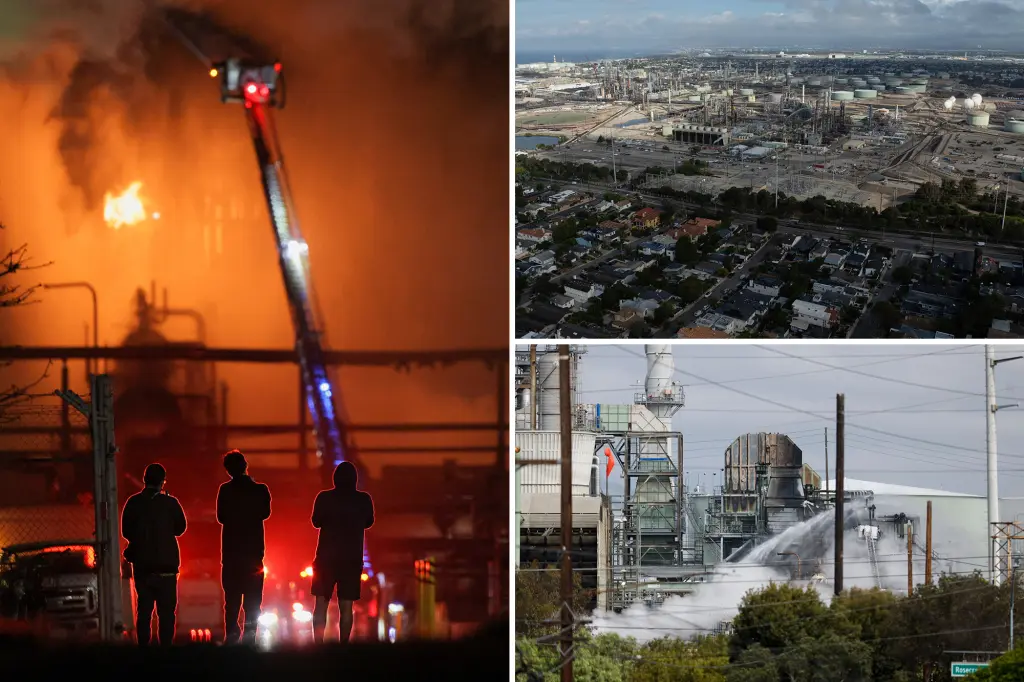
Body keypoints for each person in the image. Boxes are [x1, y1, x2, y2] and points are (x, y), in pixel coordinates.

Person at [120, 463, 187, 646]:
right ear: (162, 482)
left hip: (143, 566)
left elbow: (126, 531)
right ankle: (165, 649)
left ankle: (144, 649)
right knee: (166, 613)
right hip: (167, 566)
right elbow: (180, 528)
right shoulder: (170, 503)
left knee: (144, 610)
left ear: (144, 480)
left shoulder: (133, 503)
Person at [310, 461, 374, 644]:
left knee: (320, 604)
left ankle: (318, 645)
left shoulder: (324, 497)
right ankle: (343, 646)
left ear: (334, 478)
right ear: (355, 479)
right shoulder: (363, 499)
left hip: (325, 559)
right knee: (346, 607)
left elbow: (316, 522)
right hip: (351, 560)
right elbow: (369, 522)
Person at [216, 449, 272, 644]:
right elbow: (265, 513)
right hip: (254, 554)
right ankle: (249, 637)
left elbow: (221, 517)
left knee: (231, 600)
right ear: (245, 466)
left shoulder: (225, 490)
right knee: (253, 601)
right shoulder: (261, 489)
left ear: (228, 470)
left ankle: (232, 635)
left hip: (231, 554)